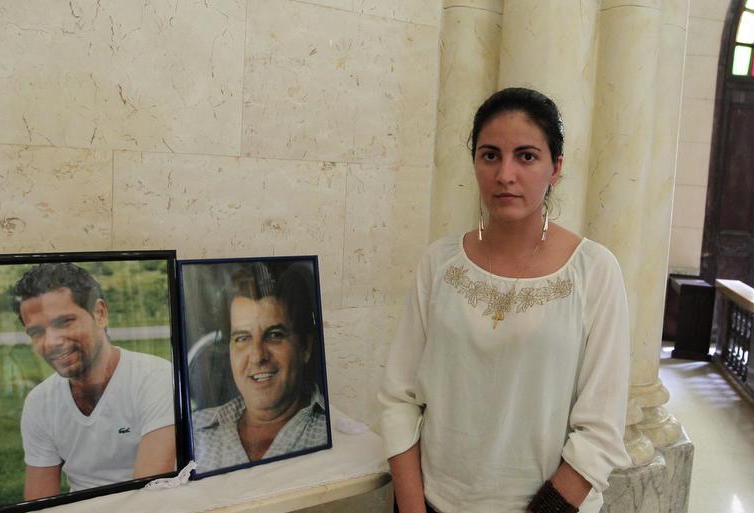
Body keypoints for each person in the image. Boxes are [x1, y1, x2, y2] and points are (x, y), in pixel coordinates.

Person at [379, 87, 631, 513]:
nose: (505, 174)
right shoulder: (440, 264)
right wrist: (412, 507)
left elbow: (600, 433)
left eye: (527, 156)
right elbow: (398, 399)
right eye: (490, 155)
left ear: (556, 168)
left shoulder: (593, 271)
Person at [13, 262, 176, 498]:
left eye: (63, 322)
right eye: (37, 332)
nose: (51, 342)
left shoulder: (155, 378)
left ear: (99, 314)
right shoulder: (39, 402)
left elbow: (150, 496)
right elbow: (40, 502)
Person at [191, 261, 328, 472]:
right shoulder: (194, 430)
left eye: (274, 335)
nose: (257, 356)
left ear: (305, 347)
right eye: (242, 338)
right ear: (229, 350)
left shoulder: (326, 432)